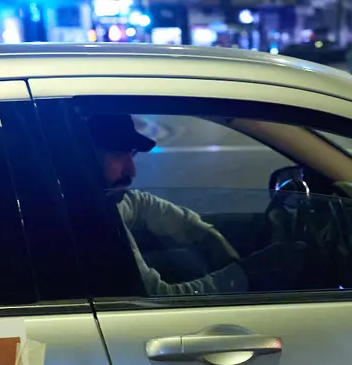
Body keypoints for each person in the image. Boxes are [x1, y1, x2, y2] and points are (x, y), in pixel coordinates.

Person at [85, 114, 308, 296]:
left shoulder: (98, 201)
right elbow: (158, 301)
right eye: (117, 155)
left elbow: (140, 205)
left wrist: (208, 238)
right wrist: (247, 273)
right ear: (80, 158)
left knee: (182, 261)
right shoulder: (86, 223)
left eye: (131, 155)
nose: (131, 171)